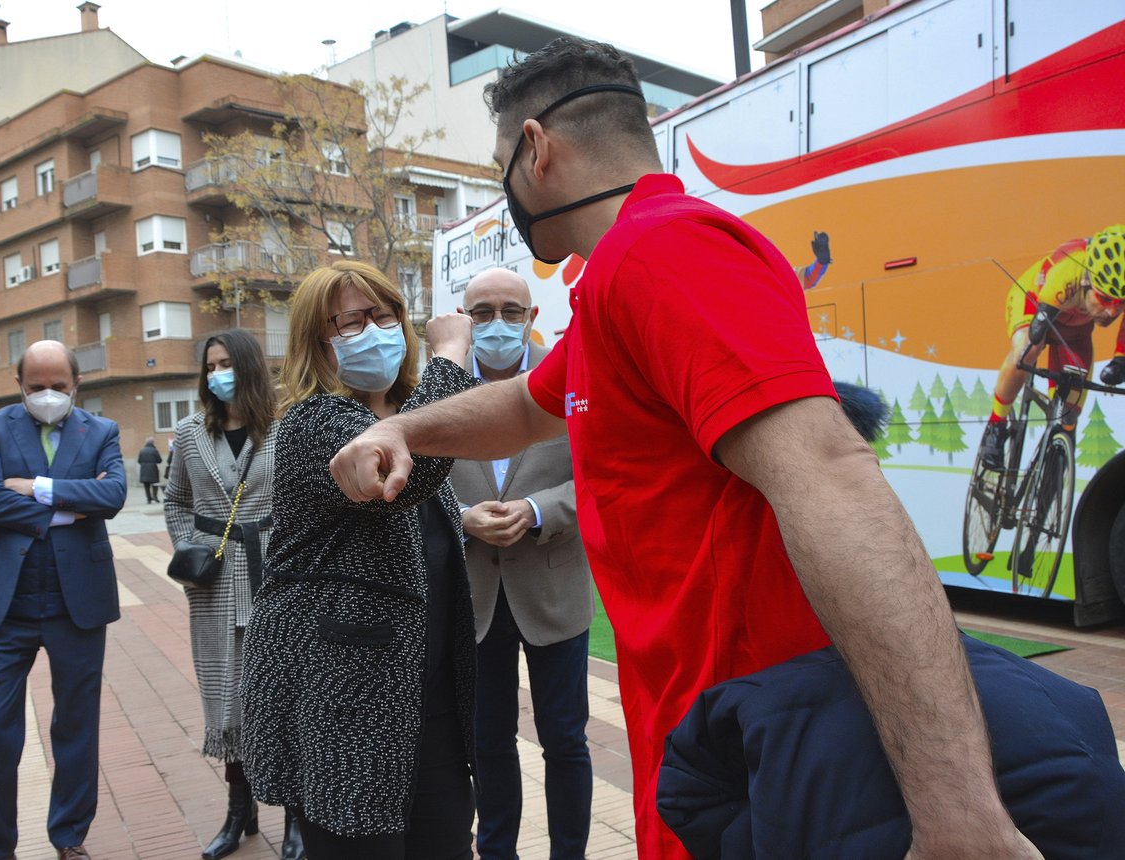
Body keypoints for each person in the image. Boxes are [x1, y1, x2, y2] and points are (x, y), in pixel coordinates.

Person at [328, 38, 1043, 860]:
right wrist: (399, 428)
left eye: (501, 171)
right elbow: (526, 408)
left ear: (536, 148)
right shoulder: (611, 284)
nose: (505, 198)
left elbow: (835, 476)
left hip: (765, 760)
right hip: (708, 754)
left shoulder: (666, 251)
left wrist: (960, 817)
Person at [241, 261, 478, 860]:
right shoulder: (314, 422)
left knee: (447, 841)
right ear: (316, 343)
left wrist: (464, 524)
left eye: (385, 315)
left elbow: (404, 529)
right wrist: (449, 356)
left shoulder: (395, 416)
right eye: (353, 321)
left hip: (425, 693)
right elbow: (405, 473)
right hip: (349, 696)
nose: (377, 330)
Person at [0, 339, 127, 860]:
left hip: (78, 603)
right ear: (18, 385)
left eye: (58, 386)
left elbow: (113, 495)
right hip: (3, 604)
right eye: (36, 387)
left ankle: (69, 837)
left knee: (76, 723)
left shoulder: (102, 431)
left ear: (76, 383)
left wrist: (35, 488)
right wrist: (72, 503)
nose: (47, 395)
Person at [450, 268, 594, 860]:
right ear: (464, 320)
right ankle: (499, 852)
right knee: (489, 742)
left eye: (511, 310)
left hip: (554, 591)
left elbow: (597, 474)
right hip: (474, 595)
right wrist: (462, 517)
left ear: (533, 318)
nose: (497, 323)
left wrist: (538, 509)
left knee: (565, 740)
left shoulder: (571, 378)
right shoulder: (440, 388)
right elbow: (416, 485)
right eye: (481, 312)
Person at [163, 329, 297, 860]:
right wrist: (192, 549)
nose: (218, 373)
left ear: (248, 366)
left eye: (227, 363)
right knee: (227, 702)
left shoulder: (285, 425)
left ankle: (295, 818)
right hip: (214, 585)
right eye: (211, 364)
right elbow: (176, 500)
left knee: (284, 699)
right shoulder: (191, 432)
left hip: (276, 577)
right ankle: (239, 812)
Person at [979, 225, 1125, 469]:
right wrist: (1033, 342)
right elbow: (1040, 327)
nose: (1112, 312)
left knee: (1069, 417)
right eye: (1105, 299)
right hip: (1035, 303)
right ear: (1089, 280)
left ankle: (1054, 469)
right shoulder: (1069, 268)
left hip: (1076, 329)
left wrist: (1119, 361)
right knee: (1027, 350)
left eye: (1121, 304)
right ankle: (995, 424)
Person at [138, 436, 163, 504]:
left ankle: (148, 499)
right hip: (153, 469)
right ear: (153, 443)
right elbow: (159, 460)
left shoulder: (142, 450)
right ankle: (155, 497)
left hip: (144, 469)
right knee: (155, 484)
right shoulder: (154, 450)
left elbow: (139, 461)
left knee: (146, 485)